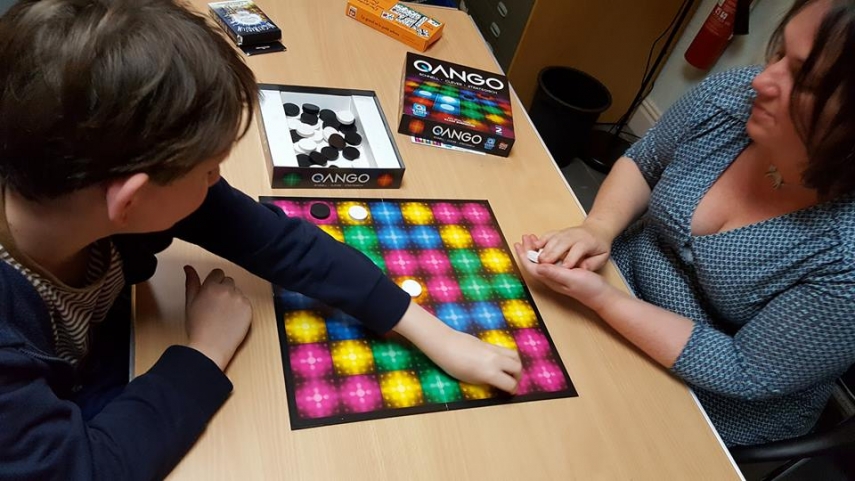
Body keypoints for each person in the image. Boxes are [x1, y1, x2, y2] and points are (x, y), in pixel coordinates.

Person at [0, 0, 522, 479]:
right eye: (209, 170)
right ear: (130, 200)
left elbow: (276, 242)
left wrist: (429, 330)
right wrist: (206, 349)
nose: (217, 181)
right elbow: (81, 468)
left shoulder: (80, 173)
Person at [515, 0, 855, 447]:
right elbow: (644, 160)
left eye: (804, 79)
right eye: (778, 55)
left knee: (568, 442)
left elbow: (746, 370)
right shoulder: (733, 98)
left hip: (715, 392)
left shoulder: (845, 252)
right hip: (617, 281)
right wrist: (597, 228)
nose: (761, 80)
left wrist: (606, 302)